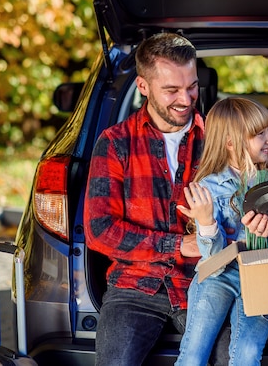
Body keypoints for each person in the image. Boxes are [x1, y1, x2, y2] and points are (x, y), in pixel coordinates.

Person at [83, 32, 204, 366]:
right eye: (172, 90)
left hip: (204, 283)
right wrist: (178, 245)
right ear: (143, 86)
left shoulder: (217, 140)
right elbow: (100, 230)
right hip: (133, 287)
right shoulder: (115, 143)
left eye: (192, 86)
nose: (185, 98)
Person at [175, 97, 268, 366]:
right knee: (192, 355)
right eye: (259, 134)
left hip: (260, 276)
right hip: (218, 276)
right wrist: (205, 222)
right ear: (230, 143)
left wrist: (267, 234)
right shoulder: (207, 187)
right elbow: (212, 260)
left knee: (246, 357)